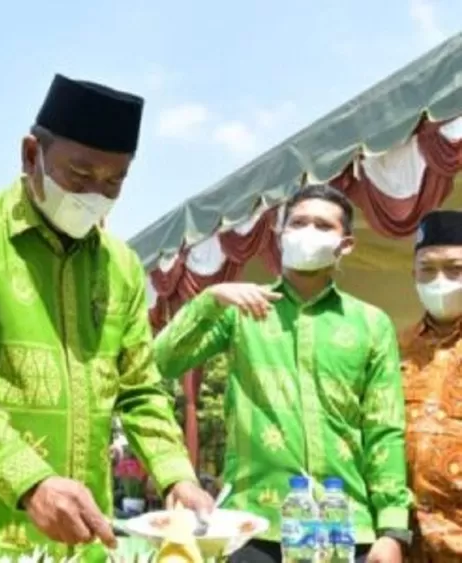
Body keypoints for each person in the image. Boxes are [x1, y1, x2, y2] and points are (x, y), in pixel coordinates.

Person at [0, 73, 212, 561]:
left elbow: (139, 388)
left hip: (80, 534)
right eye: (79, 175)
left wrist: (176, 476)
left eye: (114, 181)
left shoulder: (120, 266)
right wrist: (29, 480)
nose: (95, 193)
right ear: (30, 155)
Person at [154, 184, 412, 563]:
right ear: (280, 234)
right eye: (298, 223)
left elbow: (384, 428)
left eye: (323, 226)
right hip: (256, 526)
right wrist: (208, 301)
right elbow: (161, 361)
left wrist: (392, 529)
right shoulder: (241, 309)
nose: (308, 232)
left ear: (346, 245)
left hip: (345, 527)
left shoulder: (371, 324)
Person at [400, 210, 462, 562]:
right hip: (407, 543)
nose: (441, 281)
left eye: (455, 269)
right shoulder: (396, 347)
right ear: (413, 275)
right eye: (428, 269)